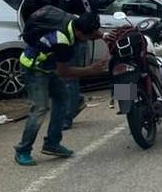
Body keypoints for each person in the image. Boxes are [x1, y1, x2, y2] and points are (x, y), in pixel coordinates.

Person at [14, 12, 106, 166]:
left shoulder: (73, 21)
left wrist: (104, 35)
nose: (90, 39)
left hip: (47, 66)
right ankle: (23, 150)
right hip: (34, 68)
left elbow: (92, 32)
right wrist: (91, 70)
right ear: (80, 33)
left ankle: (52, 143)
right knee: (40, 109)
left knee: (63, 98)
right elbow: (64, 72)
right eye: (89, 36)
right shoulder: (62, 42)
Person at [53, 0, 98, 130]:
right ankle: (76, 101)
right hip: (63, 40)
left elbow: (89, 14)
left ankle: (67, 117)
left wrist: (85, 31)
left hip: (77, 40)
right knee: (65, 77)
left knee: (70, 78)